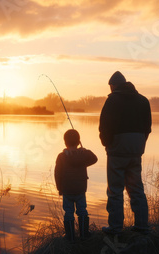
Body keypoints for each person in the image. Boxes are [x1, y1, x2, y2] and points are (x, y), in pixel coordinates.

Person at [99, 71, 152, 235]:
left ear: (113, 85)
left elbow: (105, 126)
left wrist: (107, 144)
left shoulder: (112, 100)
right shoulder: (143, 100)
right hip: (136, 149)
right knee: (136, 188)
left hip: (118, 150)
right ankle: (142, 226)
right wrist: (140, 144)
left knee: (115, 189)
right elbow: (147, 127)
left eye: (110, 86)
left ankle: (115, 227)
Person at [55, 129, 98, 241]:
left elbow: (57, 174)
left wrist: (59, 188)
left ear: (65, 142)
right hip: (80, 189)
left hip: (67, 190)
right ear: (79, 142)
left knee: (68, 212)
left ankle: (71, 237)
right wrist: (84, 150)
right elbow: (94, 158)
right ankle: (84, 234)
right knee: (82, 210)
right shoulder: (83, 155)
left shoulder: (61, 156)